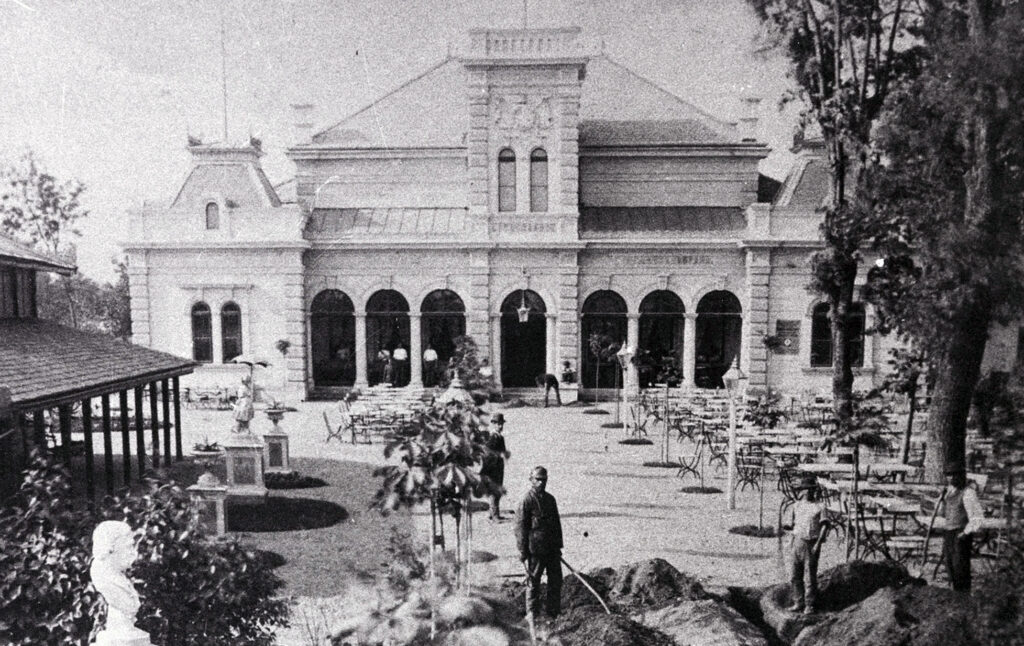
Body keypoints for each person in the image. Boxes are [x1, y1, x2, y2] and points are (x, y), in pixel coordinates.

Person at [516, 466, 564, 621]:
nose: (541, 482)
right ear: (531, 480)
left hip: (552, 549)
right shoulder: (527, 500)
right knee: (533, 581)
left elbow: (556, 524)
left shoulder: (550, 499)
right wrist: (522, 551)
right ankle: (532, 613)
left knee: (556, 580)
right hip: (536, 550)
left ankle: (553, 612)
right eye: (538, 479)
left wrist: (558, 546)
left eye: (544, 479)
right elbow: (520, 528)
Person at [940, 463, 985, 592]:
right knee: (950, 566)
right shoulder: (948, 492)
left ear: (961, 476)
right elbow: (944, 513)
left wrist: (965, 533)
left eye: (955, 475)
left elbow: (977, 517)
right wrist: (942, 500)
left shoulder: (968, 493)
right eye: (949, 475)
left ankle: (964, 597)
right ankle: (956, 596)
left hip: (960, 533)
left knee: (960, 568)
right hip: (949, 532)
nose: (952, 478)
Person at [788, 481, 827, 615]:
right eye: (807, 489)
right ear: (802, 491)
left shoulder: (820, 506)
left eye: (812, 489)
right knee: (795, 575)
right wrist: (791, 542)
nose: (810, 492)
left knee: (809, 576)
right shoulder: (797, 506)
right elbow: (793, 525)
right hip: (798, 541)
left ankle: (809, 604)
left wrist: (818, 544)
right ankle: (798, 601)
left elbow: (825, 526)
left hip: (811, 543)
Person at [481, 413, 510, 520]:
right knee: (494, 492)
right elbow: (487, 453)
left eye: (501, 424)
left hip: (498, 468)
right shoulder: (492, 437)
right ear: (493, 424)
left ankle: (493, 513)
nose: (500, 426)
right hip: (493, 469)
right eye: (498, 424)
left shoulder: (499, 436)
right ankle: (494, 516)